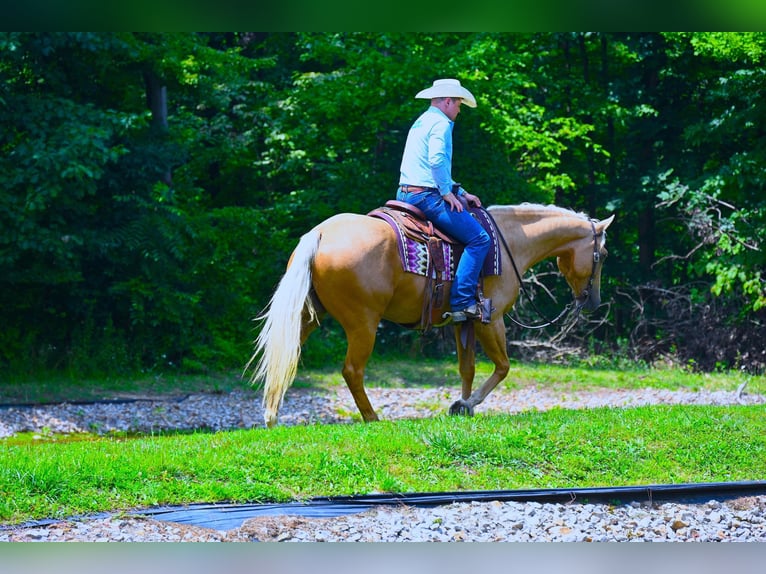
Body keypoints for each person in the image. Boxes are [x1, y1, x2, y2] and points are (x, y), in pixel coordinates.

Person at [397, 78, 491, 323]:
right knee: (480, 239)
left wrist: (459, 192)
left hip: (405, 192)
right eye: (458, 103)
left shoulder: (422, 121)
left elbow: (427, 168)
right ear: (448, 101)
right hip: (426, 196)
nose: (459, 109)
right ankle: (462, 302)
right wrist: (448, 194)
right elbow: (436, 161)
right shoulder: (441, 123)